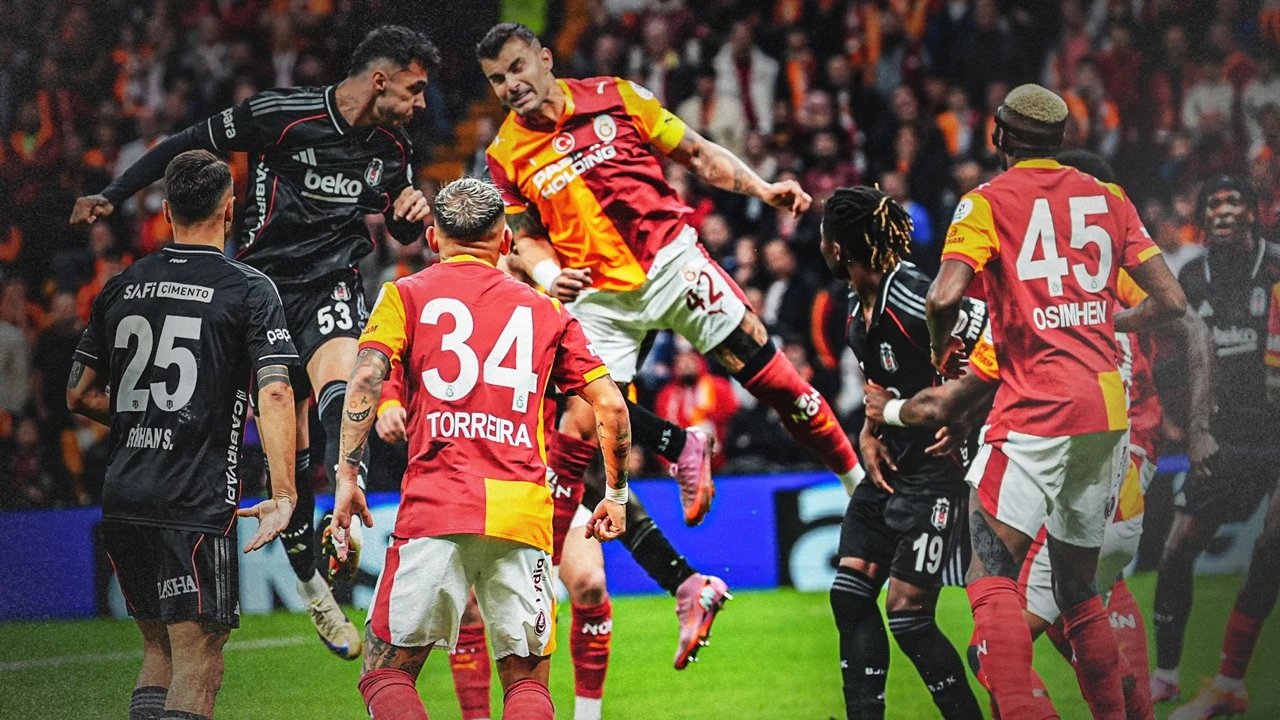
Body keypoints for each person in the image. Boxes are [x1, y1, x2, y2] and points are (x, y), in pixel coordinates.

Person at [70, 25, 441, 659]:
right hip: (262, 290)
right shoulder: (280, 115)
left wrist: (411, 216)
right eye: (415, 89)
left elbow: (400, 226)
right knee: (286, 462)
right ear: (381, 80)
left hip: (331, 283)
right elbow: (185, 143)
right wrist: (112, 195)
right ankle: (312, 586)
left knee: (345, 384)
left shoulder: (392, 148)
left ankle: (346, 493)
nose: (422, 103)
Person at [476, 22, 861, 522]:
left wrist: (762, 189)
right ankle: (548, 567)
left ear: (546, 59)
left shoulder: (616, 96)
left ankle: (856, 485)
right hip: (598, 298)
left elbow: (696, 153)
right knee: (578, 427)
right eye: (497, 79)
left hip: (671, 265)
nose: (511, 85)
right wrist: (549, 276)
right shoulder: (504, 154)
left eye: (517, 67)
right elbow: (525, 235)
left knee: (777, 384)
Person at [926, 83, 1187, 718]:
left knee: (991, 575)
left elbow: (942, 297)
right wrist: (1106, 323)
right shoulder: (1108, 198)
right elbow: (1172, 302)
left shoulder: (986, 202)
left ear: (999, 136)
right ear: (1062, 140)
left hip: (1034, 411)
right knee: (1078, 591)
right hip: (1106, 415)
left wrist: (941, 351)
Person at [326, 177, 631, 720]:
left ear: (433, 238)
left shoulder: (404, 294)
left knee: (386, 674)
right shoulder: (549, 312)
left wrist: (348, 476)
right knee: (527, 685)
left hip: (436, 506)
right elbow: (611, 406)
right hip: (522, 513)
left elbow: (366, 378)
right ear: (506, 240)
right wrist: (617, 493)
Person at [66, 150, 299, 720]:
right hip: (192, 500)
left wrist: (148, 420)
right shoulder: (248, 288)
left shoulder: (122, 285)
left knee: (158, 650)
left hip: (125, 494)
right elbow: (274, 393)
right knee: (200, 658)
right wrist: (285, 493)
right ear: (230, 209)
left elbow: (78, 395)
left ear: (167, 210)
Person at [819, 185, 984, 720]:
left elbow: (998, 349)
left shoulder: (917, 297)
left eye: (824, 236)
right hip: (891, 461)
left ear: (838, 248)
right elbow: (880, 385)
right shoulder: (855, 303)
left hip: (939, 470)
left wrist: (967, 418)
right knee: (850, 595)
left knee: (909, 615)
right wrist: (869, 431)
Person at [1153, 176, 1280, 720]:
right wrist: (1186, 422)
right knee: (1178, 546)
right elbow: (1176, 356)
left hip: (1277, 430)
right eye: (1214, 204)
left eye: (1234, 202)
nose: (1223, 211)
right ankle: (1165, 676)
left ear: (1252, 212)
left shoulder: (1276, 268)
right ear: (1204, 217)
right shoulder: (1191, 276)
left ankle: (1230, 682)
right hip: (1225, 434)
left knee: (1272, 543)